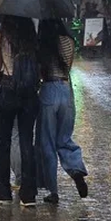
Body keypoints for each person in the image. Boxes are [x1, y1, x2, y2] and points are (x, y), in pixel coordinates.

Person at [35, 19, 88, 204]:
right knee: (64, 138)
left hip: (48, 89)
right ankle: (76, 170)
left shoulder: (42, 43)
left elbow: (40, 71)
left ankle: (53, 191)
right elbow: (69, 66)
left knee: (47, 143)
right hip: (66, 89)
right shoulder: (69, 41)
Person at [0, 16, 40, 207]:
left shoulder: (0, 37)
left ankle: (3, 189)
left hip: (9, 89)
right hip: (29, 91)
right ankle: (28, 193)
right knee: (27, 139)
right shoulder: (32, 37)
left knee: (3, 140)